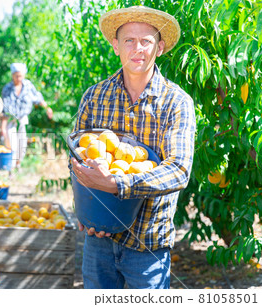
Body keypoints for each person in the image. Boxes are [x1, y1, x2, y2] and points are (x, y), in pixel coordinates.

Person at [70, 6, 196, 289]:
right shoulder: (94, 96)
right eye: (129, 40)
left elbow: (178, 170)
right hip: (98, 239)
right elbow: (76, 156)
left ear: (160, 48)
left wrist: (117, 184)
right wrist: (83, 209)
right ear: (116, 46)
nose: (137, 48)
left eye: (146, 41)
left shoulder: (177, 102)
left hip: (148, 243)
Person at [1, 63, 53, 170]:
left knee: (22, 144)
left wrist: (47, 108)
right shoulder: (7, 89)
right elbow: (5, 110)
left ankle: (18, 165)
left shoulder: (28, 86)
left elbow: (38, 98)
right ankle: (10, 169)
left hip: (23, 119)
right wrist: (3, 127)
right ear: (12, 75)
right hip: (12, 119)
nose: (19, 78)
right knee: (12, 143)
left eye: (21, 76)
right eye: (16, 76)